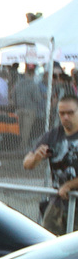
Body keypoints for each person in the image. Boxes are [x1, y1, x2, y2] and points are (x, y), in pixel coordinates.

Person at [23, 93, 78, 234]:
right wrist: (37, 157)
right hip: (59, 201)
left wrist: (69, 186)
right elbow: (27, 164)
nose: (65, 117)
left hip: (70, 195)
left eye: (70, 113)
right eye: (62, 113)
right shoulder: (53, 135)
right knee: (47, 242)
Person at [14, 64, 44, 150]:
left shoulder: (18, 84)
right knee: (26, 130)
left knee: (19, 129)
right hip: (30, 110)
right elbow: (37, 98)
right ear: (33, 74)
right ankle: (23, 147)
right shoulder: (33, 85)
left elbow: (13, 96)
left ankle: (17, 144)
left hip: (19, 109)